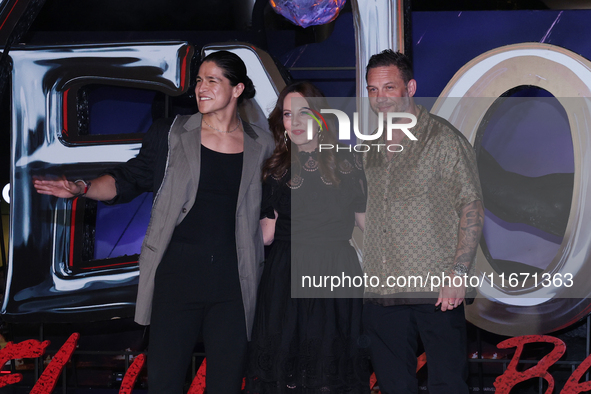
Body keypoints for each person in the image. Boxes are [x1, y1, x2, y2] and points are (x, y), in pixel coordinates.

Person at [34, 50, 275, 393]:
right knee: (164, 381)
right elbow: (127, 180)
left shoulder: (261, 144)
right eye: (198, 81)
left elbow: (274, 201)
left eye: (212, 81)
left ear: (236, 89)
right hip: (177, 278)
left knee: (225, 384)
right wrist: (82, 188)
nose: (200, 88)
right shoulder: (172, 134)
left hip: (234, 282)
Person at [361, 49, 484, 394]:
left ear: (410, 87)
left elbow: (472, 207)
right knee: (393, 385)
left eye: (389, 87)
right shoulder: (369, 145)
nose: (380, 97)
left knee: (447, 384)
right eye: (373, 89)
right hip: (381, 291)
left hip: (436, 289)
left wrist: (459, 273)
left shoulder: (444, 139)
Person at [245, 82, 370, 393]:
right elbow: (267, 234)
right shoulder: (273, 168)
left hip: (335, 271)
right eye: (288, 115)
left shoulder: (349, 162)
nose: (296, 123)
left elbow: (368, 223)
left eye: (304, 113)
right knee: (286, 368)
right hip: (286, 274)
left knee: (330, 370)